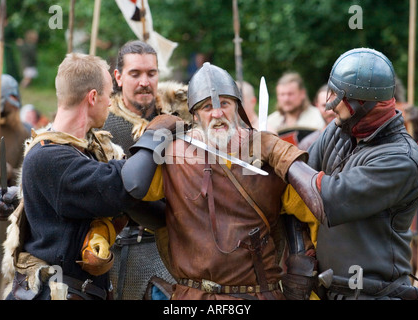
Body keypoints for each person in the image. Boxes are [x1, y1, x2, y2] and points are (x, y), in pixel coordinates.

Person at [121, 62, 319, 300]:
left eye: (224, 103)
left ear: (237, 107)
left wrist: (308, 277)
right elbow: (129, 191)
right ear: (194, 115)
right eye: (207, 107)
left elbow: (314, 214)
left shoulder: (270, 156)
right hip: (191, 297)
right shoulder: (173, 158)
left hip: (256, 295)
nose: (217, 113)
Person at [0, 52, 142, 300]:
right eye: (108, 95)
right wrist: (152, 144)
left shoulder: (96, 149)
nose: (111, 103)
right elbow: (116, 185)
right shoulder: (48, 154)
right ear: (93, 97)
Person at [284, 48, 418, 300]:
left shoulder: (401, 159)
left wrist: (281, 156)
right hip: (327, 289)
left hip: (373, 295)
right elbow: (297, 187)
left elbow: (326, 199)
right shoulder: (339, 129)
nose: (331, 104)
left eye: (338, 96)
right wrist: (300, 246)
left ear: (361, 104)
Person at [102, 40, 186, 300]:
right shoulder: (101, 125)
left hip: (167, 251)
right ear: (118, 77)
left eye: (151, 73)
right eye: (135, 74)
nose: (144, 82)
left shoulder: (182, 122)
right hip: (107, 252)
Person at [0, 74, 30, 299]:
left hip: (6, 223)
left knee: (0, 283)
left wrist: (8, 172)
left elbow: (28, 181)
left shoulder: (24, 133)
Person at [267, 72, 325, 137]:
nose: (286, 99)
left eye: (290, 94)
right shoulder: (270, 122)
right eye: (282, 94)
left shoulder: (319, 117)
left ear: (302, 93)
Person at [298, 84, 336, 150]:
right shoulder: (307, 144)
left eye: (334, 104)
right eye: (325, 106)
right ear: (317, 106)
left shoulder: (354, 140)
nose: (330, 111)